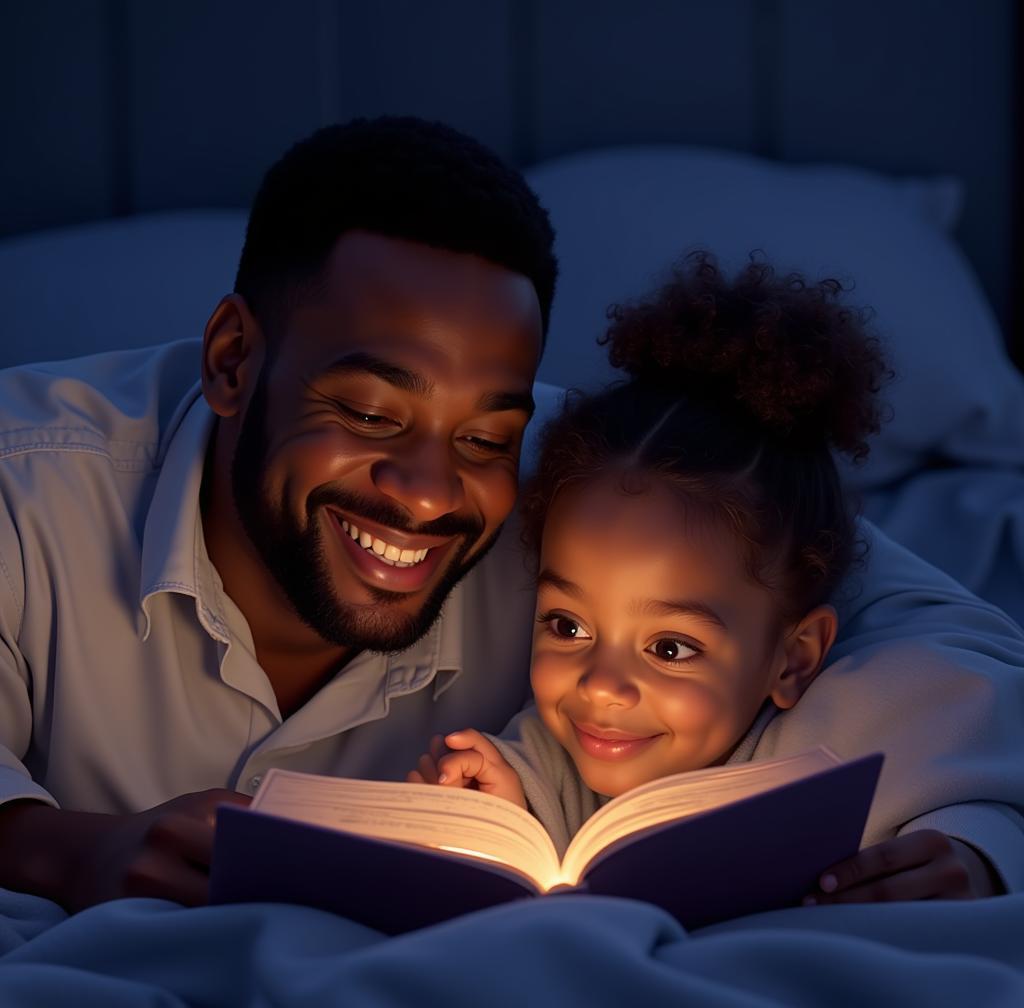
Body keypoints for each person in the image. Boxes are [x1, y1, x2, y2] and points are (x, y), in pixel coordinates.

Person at [0, 118, 1021, 915]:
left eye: (485, 435)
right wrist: (67, 845)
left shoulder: (597, 491)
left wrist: (980, 842)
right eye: (367, 413)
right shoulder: (29, 484)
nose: (431, 490)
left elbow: (918, 625)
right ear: (232, 360)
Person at [409, 255, 1021, 902]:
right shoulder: (553, 741)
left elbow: (986, 763)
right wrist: (503, 804)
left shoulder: (859, 722)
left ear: (793, 659)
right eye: (569, 625)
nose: (602, 687)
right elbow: (536, 788)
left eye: (670, 648)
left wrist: (976, 854)